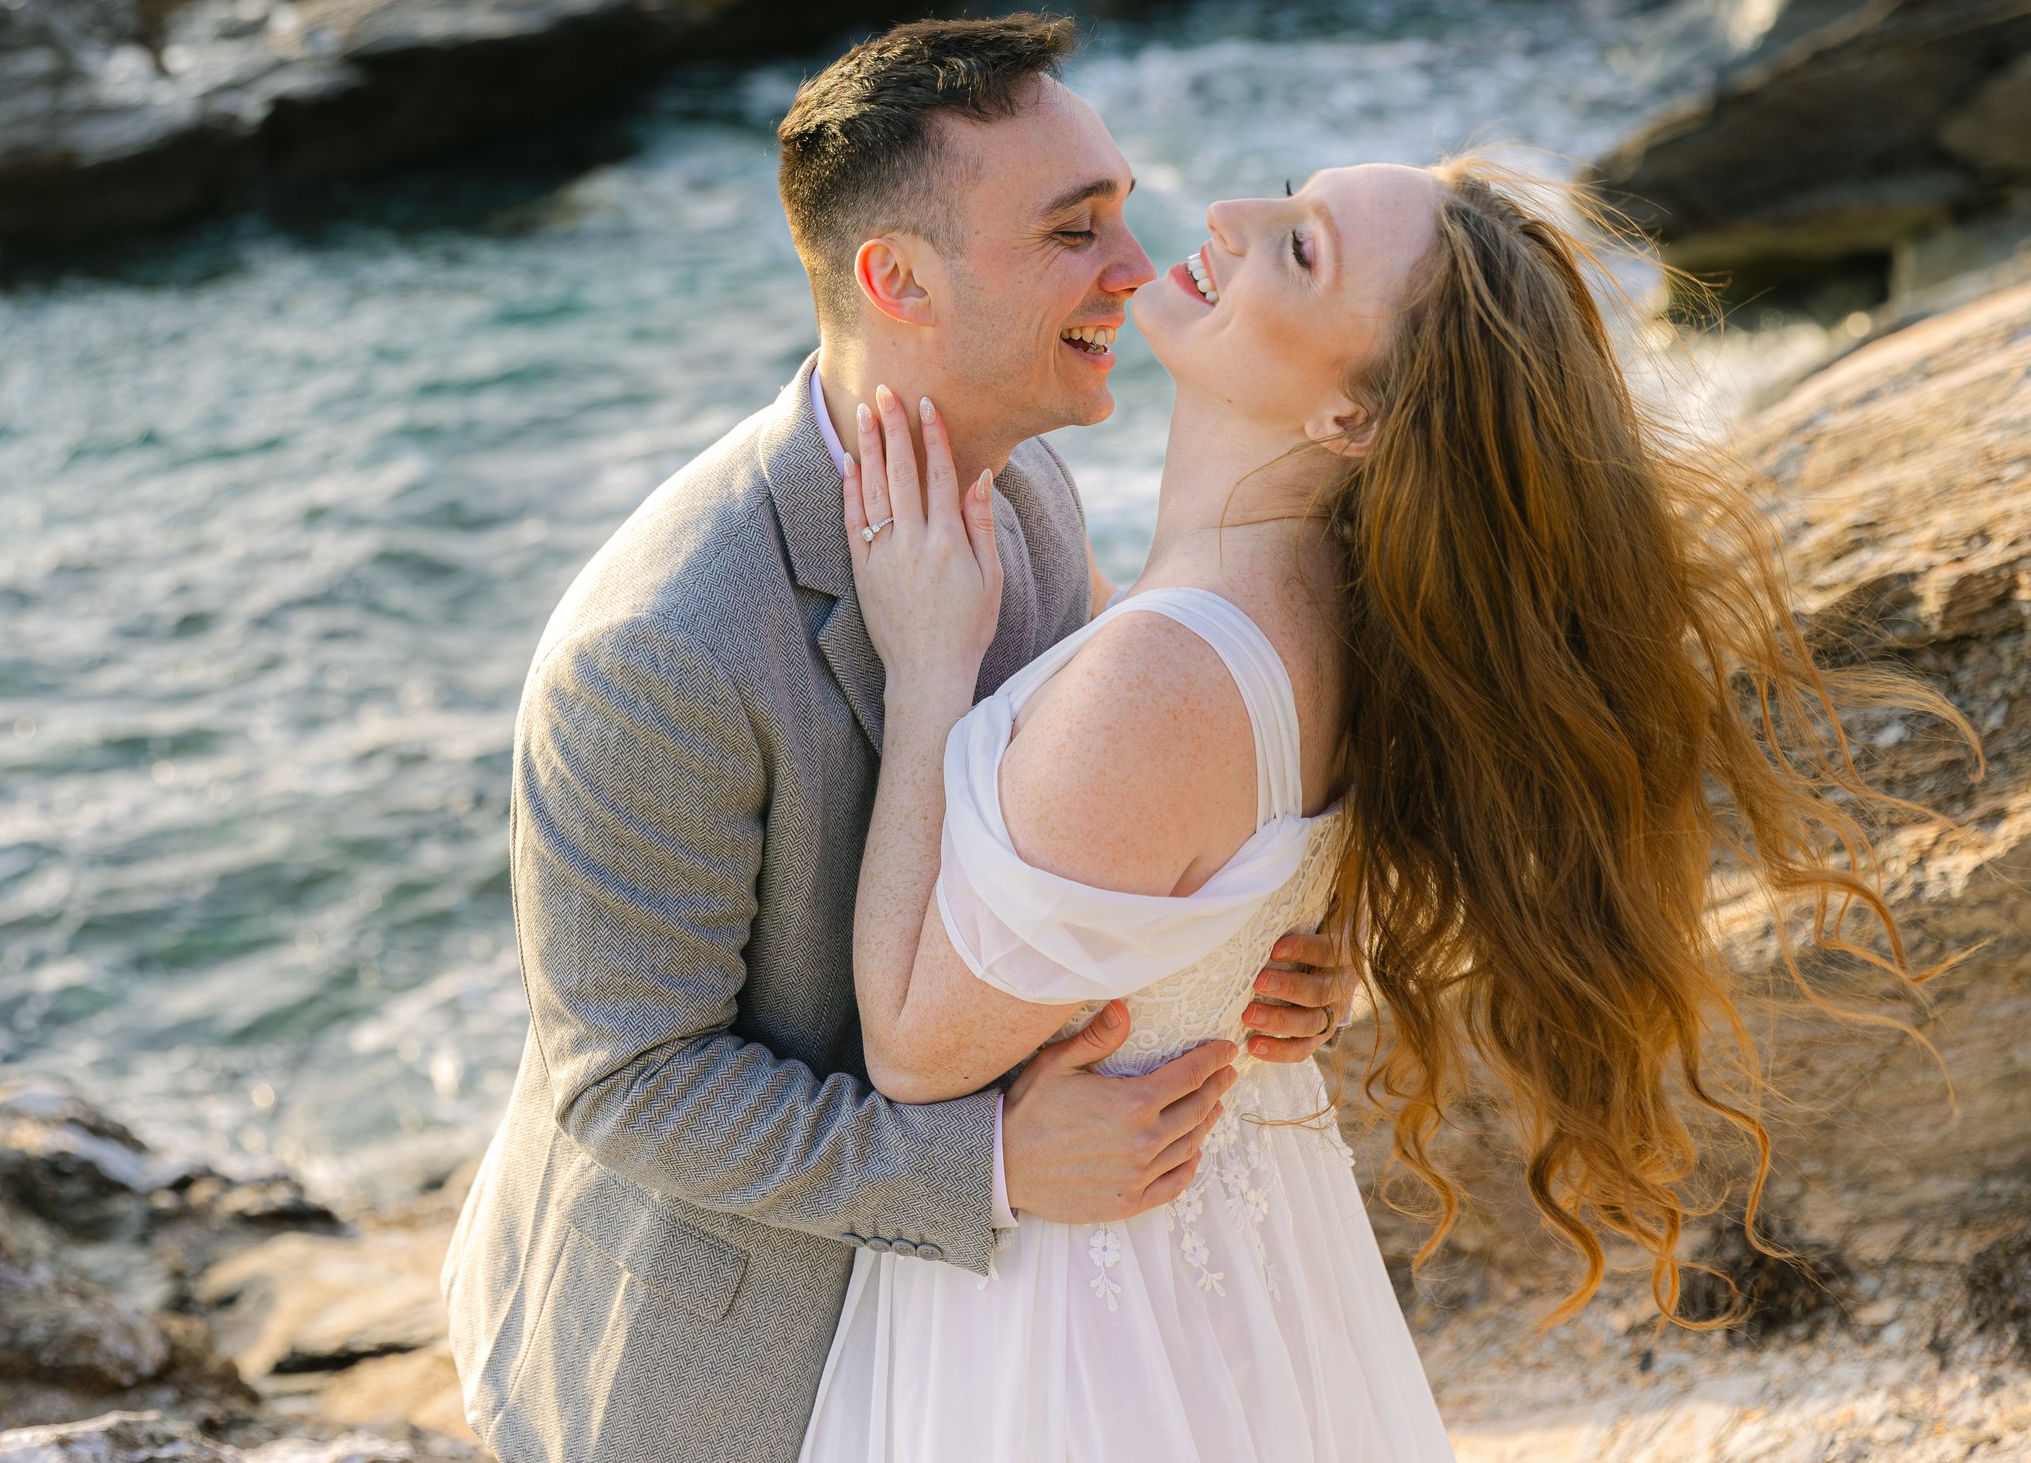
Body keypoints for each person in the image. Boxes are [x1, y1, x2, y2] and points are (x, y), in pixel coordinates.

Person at [798, 149, 1964, 1460]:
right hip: (1219, 1277)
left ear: (1355, 417)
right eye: (1287, 199)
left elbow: (909, 1044)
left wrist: (927, 672)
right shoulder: (1340, 624)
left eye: (1299, 248)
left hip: (1070, 1328)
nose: (1230, 220)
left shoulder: (1170, 672)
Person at [439, 15, 1360, 1463]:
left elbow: (1076, 832)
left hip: (973, 1347)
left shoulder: (1032, 484)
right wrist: (987, 1162)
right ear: (899, 282)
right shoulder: (659, 651)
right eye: (1075, 232)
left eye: (1119, 212)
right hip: (727, 1366)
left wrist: (1246, 962)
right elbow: (629, 1080)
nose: (1135, 267)